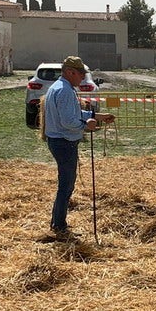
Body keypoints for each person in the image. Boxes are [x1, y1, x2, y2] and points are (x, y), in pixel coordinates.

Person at [42, 56, 114, 240]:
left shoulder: (60, 88)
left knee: (66, 184)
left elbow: (74, 113)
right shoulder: (65, 91)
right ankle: (59, 226)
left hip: (59, 140)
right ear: (69, 72)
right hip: (64, 141)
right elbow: (68, 121)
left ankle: (58, 223)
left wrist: (97, 116)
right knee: (66, 185)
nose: (83, 77)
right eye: (80, 73)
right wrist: (86, 125)